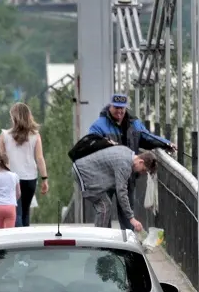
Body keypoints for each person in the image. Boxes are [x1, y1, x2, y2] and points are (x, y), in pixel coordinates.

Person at [88, 93, 174, 222]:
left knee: (127, 213)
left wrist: (166, 143)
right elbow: (91, 144)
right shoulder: (99, 126)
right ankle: (102, 241)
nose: (120, 111)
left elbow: (147, 137)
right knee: (105, 211)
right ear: (110, 107)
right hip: (106, 177)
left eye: (122, 108)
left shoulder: (134, 124)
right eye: (116, 108)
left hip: (127, 175)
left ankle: (127, 240)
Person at [72, 144, 157, 232]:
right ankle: (99, 239)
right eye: (143, 170)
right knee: (104, 206)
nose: (141, 173)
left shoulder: (126, 151)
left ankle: (100, 236)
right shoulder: (125, 165)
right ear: (140, 162)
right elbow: (121, 192)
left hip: (84, 168)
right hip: (83, 171)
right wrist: (131, 218)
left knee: (105, 204)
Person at [0, 102, 49, 227]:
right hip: (30, 179)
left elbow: (1, 159)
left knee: (17, 212)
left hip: (12, 179)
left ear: (13, 117)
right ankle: (25, 239)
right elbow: (39, 158)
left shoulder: (4, 135)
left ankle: (18, 239)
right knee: (25, 212)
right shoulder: (35, 136)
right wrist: (44, 179)